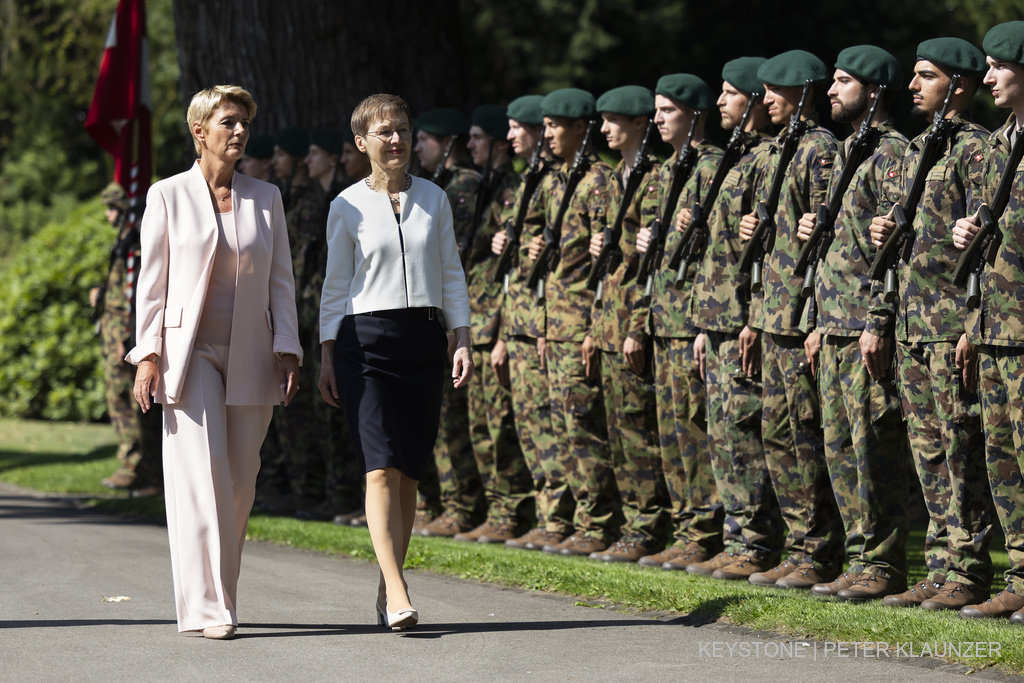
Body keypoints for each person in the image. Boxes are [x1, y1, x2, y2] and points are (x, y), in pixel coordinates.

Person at [128, 85, 302, 640]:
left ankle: (223, 596)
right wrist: (147, 355)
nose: (239, 131)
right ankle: (207, 610)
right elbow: (150, 284)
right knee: (201, 476)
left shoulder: (265, 196)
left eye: (244, 122)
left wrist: (289, 346)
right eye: (228, 122)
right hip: (189, 352)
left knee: (239, 482)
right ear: (199, 131)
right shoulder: (167, 195)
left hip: (252, 351)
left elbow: (281, 280)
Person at [318, 93, 473, 631]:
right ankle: (401, 589)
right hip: (365, 341)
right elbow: (335, 285)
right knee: (379, 465)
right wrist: (327, 354)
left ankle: (388, 583)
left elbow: (451, 271)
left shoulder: (436, 198)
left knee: (408, 472)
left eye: (402, 128)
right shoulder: (345, 206)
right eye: (383, 131)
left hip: (424, 340)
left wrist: (462, 336)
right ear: (362, 143)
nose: (396, 139)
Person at [868, 37, 996, 608]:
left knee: (961, 449)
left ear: (959, 86)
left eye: (927, 76)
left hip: (950, 325)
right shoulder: (922, 148)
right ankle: (943, 565)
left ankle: (969, 571)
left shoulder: (976, 151)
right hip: (915, 326)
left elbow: (987, 248)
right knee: (929, 453)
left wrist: (973, 322)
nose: (914, 85)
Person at [794, 47, 912, 594]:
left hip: (862, 322)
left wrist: (879, 321)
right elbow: (835, 249)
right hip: (833, 322)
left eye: (845, 81)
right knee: (839, 448)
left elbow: (894, 252)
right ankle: (859, 557)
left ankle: (884, 563)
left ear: (874, 91)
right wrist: (816, 319)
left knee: (871, 448)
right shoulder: (847, 151)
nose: (834, 89)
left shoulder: (893, 156)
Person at [667, 59, 783, 577]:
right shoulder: (733, 160)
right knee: (721, 435)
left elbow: (760, 254)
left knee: (745, 433)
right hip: (714, 321)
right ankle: (737, 541)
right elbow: (713, 255)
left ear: (756, 99)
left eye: (731, 93)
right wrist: (700, 321)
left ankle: (756, 543)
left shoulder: (765, 160)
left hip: (741, 320)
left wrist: (751, 318)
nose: (720, 102)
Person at [735, 50, 844, 585]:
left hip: (802, 315)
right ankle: (798, 546)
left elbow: (830, 239)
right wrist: (754, 316)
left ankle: (819, 550)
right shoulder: (775, 151)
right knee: (777, 435)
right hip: (773, 312)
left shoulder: (820, 149)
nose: (767, 99)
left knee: (804, 435)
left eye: (776, 90)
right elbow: (765, 244)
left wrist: (818, 319)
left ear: (802, 93)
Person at [635, 73, 732, 570]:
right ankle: (685, 526)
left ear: (695, 113)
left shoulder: (712, 166)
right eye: (655, 110)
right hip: (663, 317)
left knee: (696, 430)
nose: (657, 119)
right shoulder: (668, 170)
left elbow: (719, 252)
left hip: (691, 318)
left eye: (667, 110)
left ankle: (705, 530)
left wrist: (700, 323)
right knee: (672, 431)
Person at [527, 88, 623, 557]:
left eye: (554, 126)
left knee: (584, 425)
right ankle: (567, 518)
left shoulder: (600, 181)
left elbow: (606, 264)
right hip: (555, 323)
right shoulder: (552, 181)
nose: (546, 135)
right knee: (562, 426)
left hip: (584, 322)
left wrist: (591, 328)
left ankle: (597, 522)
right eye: (543, 126)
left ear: (580, 129)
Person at [951, 21, 1024, 621]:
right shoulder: (995, 147)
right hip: (996, 328)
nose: (990, 77)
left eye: (1000, 66)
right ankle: (1022, 575)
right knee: (1002, 459)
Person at [587, 85, 672, 563]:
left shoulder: (656, 179)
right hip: (610, 321)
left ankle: (649, 526)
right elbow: (614, 264)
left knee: (640, 431)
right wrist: (596, 327)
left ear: (640, 123)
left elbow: (653, 266)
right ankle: (634, 523)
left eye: (614, 119)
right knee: (619, 432)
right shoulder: (616, 177)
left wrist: (637, 326)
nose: (604, 129)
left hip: (634, 323)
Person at [491, 95, 576, 551]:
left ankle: (561, 518)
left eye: (517, 128)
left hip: (549, 322)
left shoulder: (557, 182)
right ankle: (549, 517)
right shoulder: (529, 182)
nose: (511, 137)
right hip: (522, 320)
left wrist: (541, 326)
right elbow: (516, 271)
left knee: (556, 424)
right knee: (532, 426)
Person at [454, 104, 536, 544]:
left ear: (498, 145)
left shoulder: (514, 189)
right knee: (481, 424)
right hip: (476, 317)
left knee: (502, 424)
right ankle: (497, 508)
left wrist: (504, 330)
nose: (470, 146)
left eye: (478, 139)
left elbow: (511, 270)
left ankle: (512, 510)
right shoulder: (485, 187)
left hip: (499, 319)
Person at [413, 108, 485, 537]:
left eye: (427, 139)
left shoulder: (462, 187)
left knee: (455, 421)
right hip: (440, 314)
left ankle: (461, 504)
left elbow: (451, 258)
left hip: (456, 314)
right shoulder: (441, 187)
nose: (419, 147)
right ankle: (439, 502)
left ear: (447, 144)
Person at [94, 183, 162, 495]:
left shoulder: (133, 241)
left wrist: (126, 335)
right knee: (118, 397)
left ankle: (140, 466)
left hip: (122, 332)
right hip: (112, 330)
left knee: (131, 400)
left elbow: (133, 292)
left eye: (112, 208)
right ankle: (131, 463)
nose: (108, 215)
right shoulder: (123, 239)